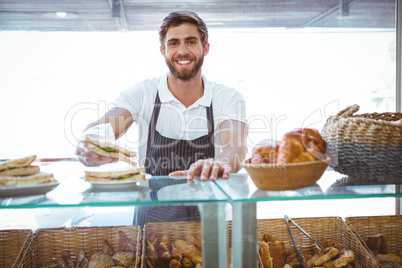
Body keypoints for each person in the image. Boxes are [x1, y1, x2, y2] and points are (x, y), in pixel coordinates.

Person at [75, 10, 248, 226]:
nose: (182, 51)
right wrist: (91, 139)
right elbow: (107, 124)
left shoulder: (227, 97)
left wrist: (220, 162)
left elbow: (237, 146)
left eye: (191, 42)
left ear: (206, 48)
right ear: (163, 50)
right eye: (173, 43)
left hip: (207, 224)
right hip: (150, 224)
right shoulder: (143, 93)